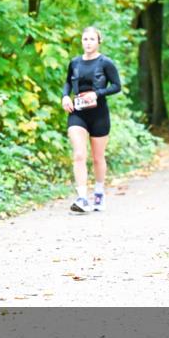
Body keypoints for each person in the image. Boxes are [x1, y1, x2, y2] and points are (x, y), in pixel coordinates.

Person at [61, 27, 122, 213]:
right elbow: (68, 82)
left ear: (98, 42)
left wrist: (97, 93)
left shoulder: (106, 63)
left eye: (92, 39)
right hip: (77, 113)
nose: (88, 42)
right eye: (85, 39)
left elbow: (117, 86)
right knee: (79, 154)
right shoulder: (75, 62)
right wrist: (65, 96)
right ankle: (81, 197)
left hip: (99, 114)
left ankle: (99, 192)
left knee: (97, 157)